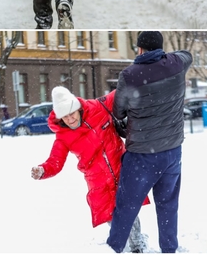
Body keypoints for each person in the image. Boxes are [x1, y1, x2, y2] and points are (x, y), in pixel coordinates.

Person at [32, 86, 148, 252]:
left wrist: (142, 75)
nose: (70, 119)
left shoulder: (98, 107)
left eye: (72, 113)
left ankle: (137, 245)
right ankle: (120, 245)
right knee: (113, 216)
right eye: (65, 117)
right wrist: (43, 170)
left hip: (121, 168)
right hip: (98, 180)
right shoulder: (63, 137)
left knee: (129, 209)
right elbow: (55, 162)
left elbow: (121, 90)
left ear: (78, 109)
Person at [107, 31, 192, 253]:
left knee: (126, 207)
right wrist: (164, 60)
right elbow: (186, 54)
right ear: (161, 48)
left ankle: (113, 248)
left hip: (141, 156)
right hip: (172, 153)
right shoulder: (176, 64)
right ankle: (169, 249)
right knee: (168, 206)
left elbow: (118, 111)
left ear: (140, 49)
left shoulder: (129, 75)